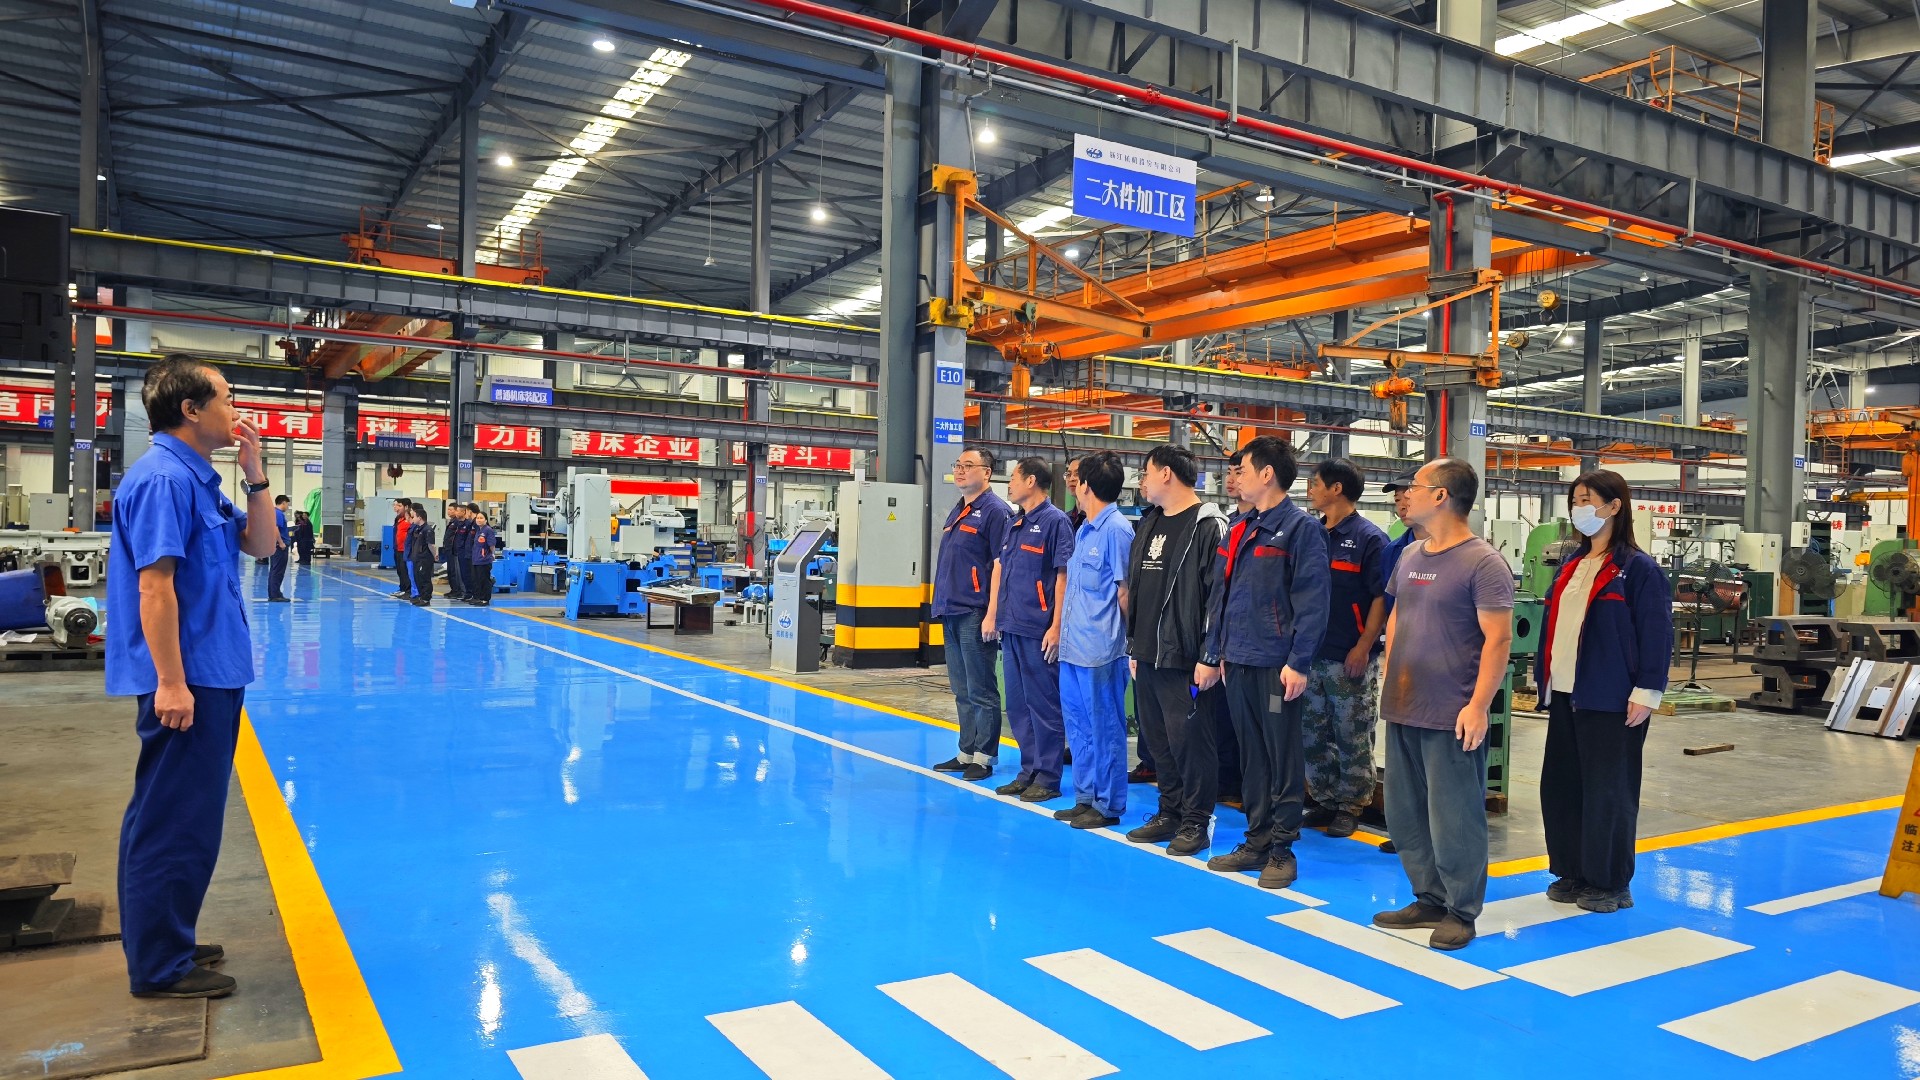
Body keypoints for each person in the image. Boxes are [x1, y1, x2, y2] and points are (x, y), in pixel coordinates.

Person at [106, 354, 280, 1000]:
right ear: (190, 409)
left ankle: (165, 937)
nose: (236, 410)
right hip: (190, 678)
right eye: (227, 398)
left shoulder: (198, 479)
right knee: (174, 821)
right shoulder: (162, 480)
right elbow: (155, 589)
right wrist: (172, 683)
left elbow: (261, 546)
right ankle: (159, 964)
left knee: (184, 816)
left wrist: (256, 476)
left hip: (214, 670)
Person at [1372, 458, 1514, 951]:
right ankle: (1429, 897)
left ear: (1441, 496)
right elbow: (1396, 615)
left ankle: (1461, 910)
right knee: (1406, 812)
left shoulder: (1483, 563)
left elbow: (1498, 640)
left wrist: (1478, 706)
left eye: (1414, 486)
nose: (1405, 495)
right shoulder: (1411, 554)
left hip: (1451, 711)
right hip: (1404, 704)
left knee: (1454, 816)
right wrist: (1392, 668)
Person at [1196, 436, 1329, 889]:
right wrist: (1215, 652)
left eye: (1244, 470)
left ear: (1267, 474)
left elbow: (1312, 602)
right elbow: (1221, 596)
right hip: (1238, 659)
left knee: (1281, 757)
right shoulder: (1239, 527)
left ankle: (1282, 849)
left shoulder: (1300, 529)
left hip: (1276, 664)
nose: (1236, 478)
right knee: (1251, 757)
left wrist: (1299, 661)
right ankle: (1256, 840)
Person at [1537, 470, 1672, 914]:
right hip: (1565, 692)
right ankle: (1573, 870)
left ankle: (1611, 882)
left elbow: (1656, 633)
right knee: (1563, 785)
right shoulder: (1572, 565)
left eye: (1587, 500)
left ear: (1614, 506)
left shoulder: (1638, 569)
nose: (1579, 508)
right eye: (1574, 500)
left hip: (1611, 697)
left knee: (1608, 791)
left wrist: (1647, 690)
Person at [1124, 446, 1230, 856]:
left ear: (1166, 473)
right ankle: (1169, 811)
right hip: (1148, 653)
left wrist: (1209, 655)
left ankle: (1196, 821)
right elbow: (1139, 590)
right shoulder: (1149, 522)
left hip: (1186, 657)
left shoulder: (1208, 526)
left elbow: (1218, 597)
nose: (1142, 480)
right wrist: (1134, 645)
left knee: (1191, 743)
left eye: (1146, 472)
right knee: (1158, 742)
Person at [1301, 458, 1388, 838]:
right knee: (1312, 732)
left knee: (1352, 732)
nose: (1310, 488)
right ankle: (1323, 798)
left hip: (1348, 655)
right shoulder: (1311, 533)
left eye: (1316, 482)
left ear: (1336, 489)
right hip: (1311, 653)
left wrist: (1364, 645)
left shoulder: (1369, 539)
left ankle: (1351, 804)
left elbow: (1380, 597)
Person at [983, 458, 1074, 803]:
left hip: (1039, 629)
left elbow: (1063, 577)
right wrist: (995, 615)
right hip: (1013, 626)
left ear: (1032, 481)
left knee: (1044, 706)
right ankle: (1029, 771)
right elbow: (1002, 569)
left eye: (1015, 477)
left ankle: (1048, 777)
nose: (1010, 484)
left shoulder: (1055, 521)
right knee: (1019, 706)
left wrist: (1057, 626)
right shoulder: (1015, 522)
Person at [1055, 451, 1135, 829]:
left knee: (1105, 731)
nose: (1072, 484)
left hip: (1102, 651)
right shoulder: (1084, 528)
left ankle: (1108, 805)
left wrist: (1129, 644)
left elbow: (1125, 593)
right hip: (1074, 648)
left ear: (1087, 485)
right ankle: (1085, 796)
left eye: (1077, 478)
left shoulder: (1117, 530)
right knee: (1079, 729)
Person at [930, 448, 1013, 781]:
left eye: (968, 465)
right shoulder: (959, 509)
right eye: (957, 465)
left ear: (987, 472)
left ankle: (984, 755)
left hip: (975, 611)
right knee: (961, 688)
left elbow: (1002, 566)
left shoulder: (995, 512)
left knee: (980, 688)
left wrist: (993, 613)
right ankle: (966, 752)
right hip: (951, 609)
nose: (960, 471)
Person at [466, 506, 499, 606]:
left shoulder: (488, 530)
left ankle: (485, 599)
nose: (479, 520)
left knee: (484, 580)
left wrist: (491, 554)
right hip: (476, 559)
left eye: (481, 518)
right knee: (477, 580)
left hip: (484, 560)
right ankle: (479, 597)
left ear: (486, 520)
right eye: (478, 518)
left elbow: (491, 545)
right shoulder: (479, 530)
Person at [406, 503, 436, 606]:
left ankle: (426, 598)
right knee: (417, 577)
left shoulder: (428, 530)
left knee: (424, 578)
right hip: (417, 557)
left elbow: (431, 544)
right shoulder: (418, 529)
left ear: (419, 518)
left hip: (424, 558)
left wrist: (435, 555)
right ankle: (421, 596)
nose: (413, 519)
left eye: (414, 517)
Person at [441, 503, 469, 601]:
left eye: (452, 510)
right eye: (448, 509)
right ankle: (454, 590)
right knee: (451, 571)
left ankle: (459, 591)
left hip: (457, 550)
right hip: (450, 549)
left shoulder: (459, 523)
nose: (449, 511)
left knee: (456, 572)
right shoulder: (452, 522)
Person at [266, 494, 291, 602]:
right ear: (283, 503)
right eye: (287, 504)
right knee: (277, 571)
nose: (287, 507)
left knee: (275, 570)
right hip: (279, 547)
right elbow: (275, 529)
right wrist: (281, 543)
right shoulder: (278, 513)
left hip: (275, 546)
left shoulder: (274, 512)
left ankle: (275, 593)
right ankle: (275, 595)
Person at [389, 498, 412, 599]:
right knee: (400, 571)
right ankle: (402, 589)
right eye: (394, 505)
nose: (396, 507)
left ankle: (408, 590)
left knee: (405, 571)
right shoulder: (399, 519)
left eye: (399, 505)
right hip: (397, 548)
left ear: (406, 507)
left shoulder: (410, 519)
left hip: (405, 550)